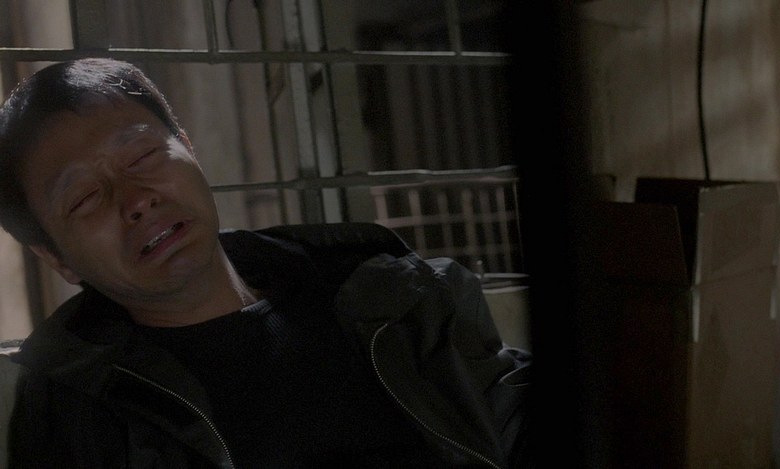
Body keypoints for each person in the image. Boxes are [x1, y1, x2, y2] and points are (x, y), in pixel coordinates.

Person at [0, 58, 533, 468]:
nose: (135, 199)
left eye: (142, 156)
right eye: (84, 198)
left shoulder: (385, 293)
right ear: (56, 257)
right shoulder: (74, 409)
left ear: (188, 148)